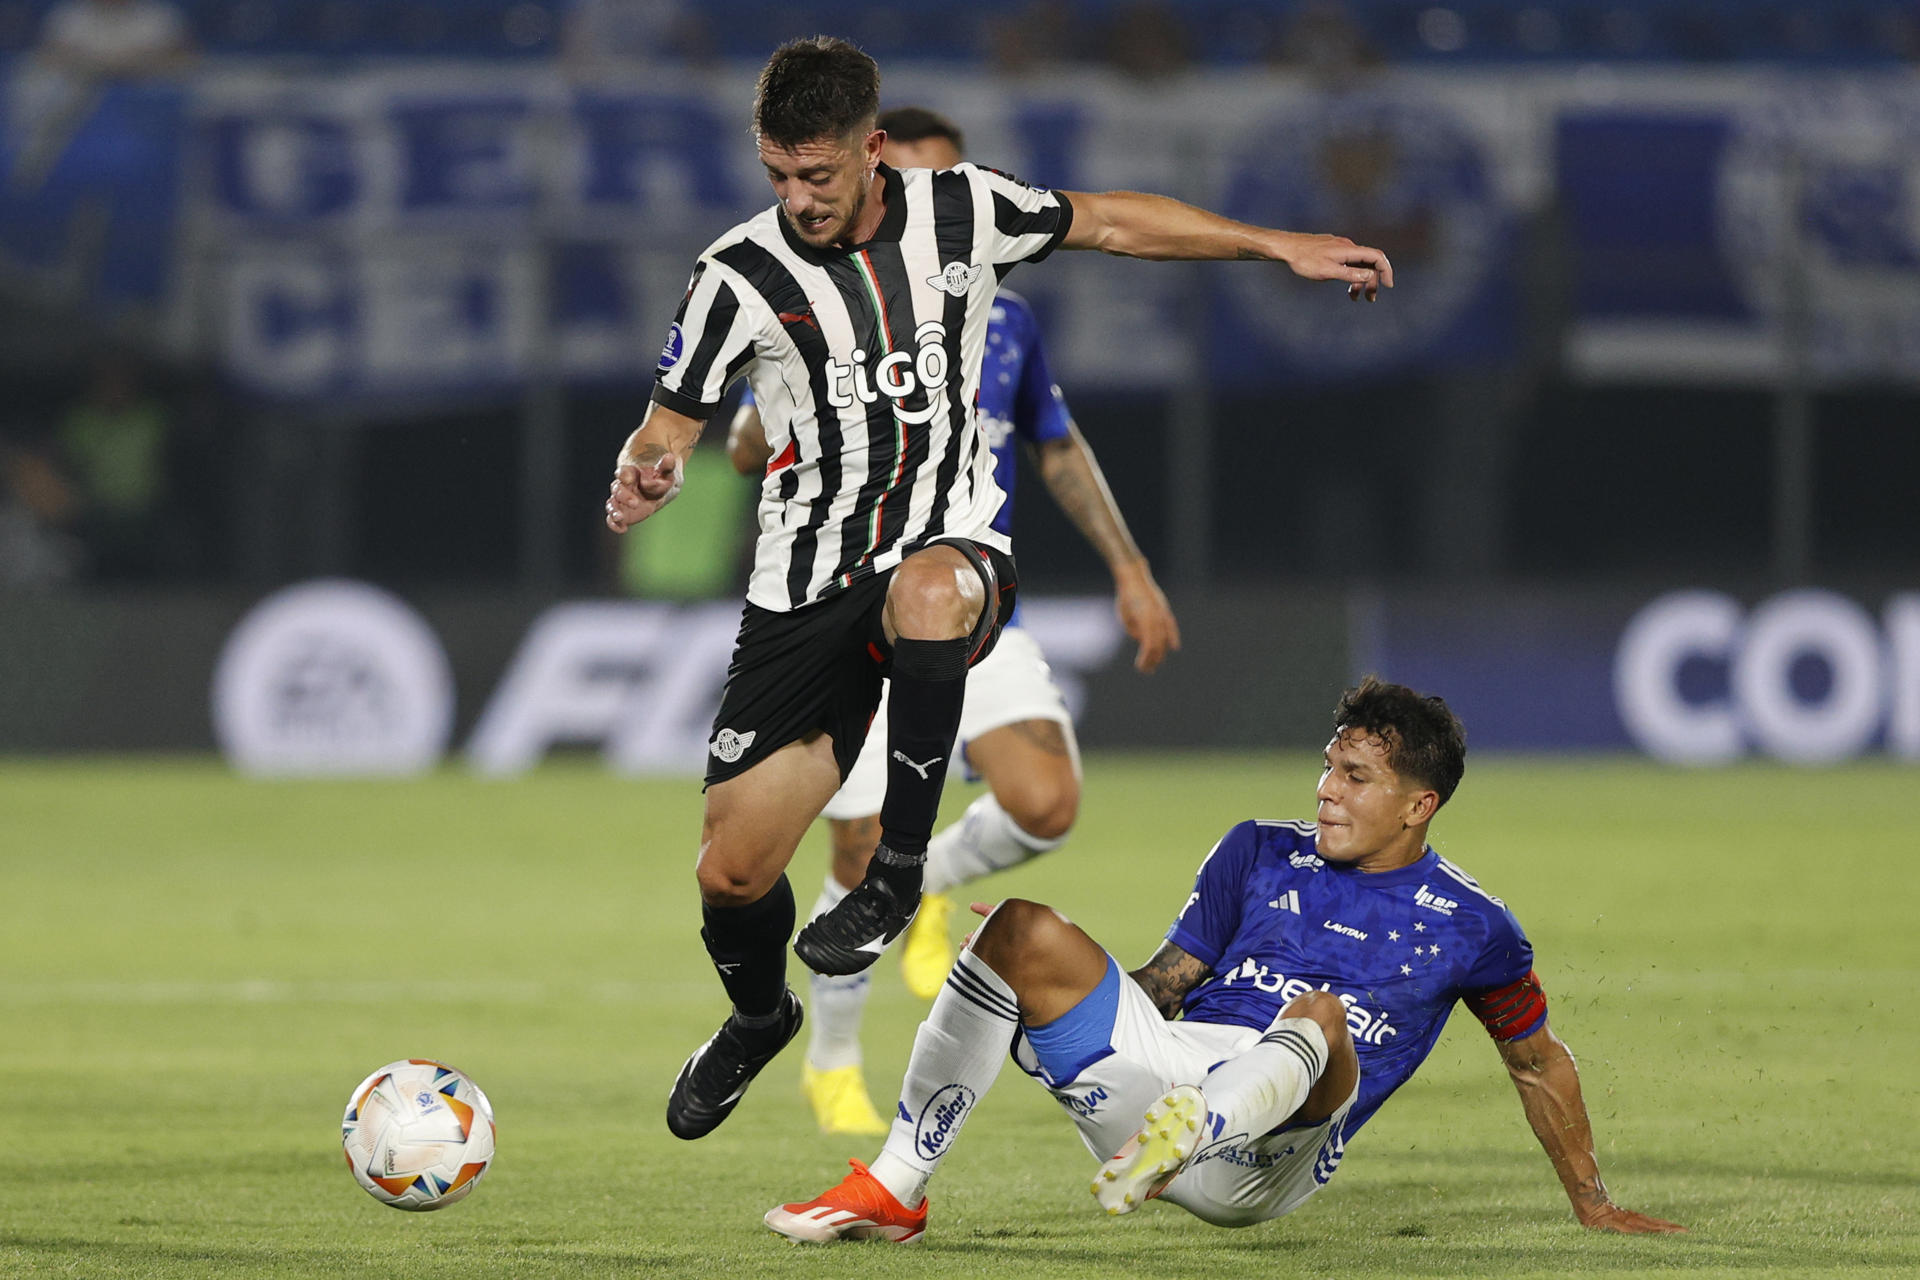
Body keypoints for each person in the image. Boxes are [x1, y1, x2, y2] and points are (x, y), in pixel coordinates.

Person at [603, 35, 1392, 1144]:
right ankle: (757, 1016)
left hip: (950, 550)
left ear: (874, 151)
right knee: (732, 874)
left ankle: (898, 873)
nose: (798, 198)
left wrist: (1275, 244)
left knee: (930, 594)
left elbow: (1115, 220)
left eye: (818, 175)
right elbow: (671, 422)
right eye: (778, 176)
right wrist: (649, 468)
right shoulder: (735, 274)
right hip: (802, 594)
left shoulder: (961, 212)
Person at [766, 677, 1686, 1243]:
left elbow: (1536, 1060)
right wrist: (1031, 998)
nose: (1326, 792)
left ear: (1420, 806)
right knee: (1017, 925)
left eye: (1355, 779)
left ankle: (1189, 1135)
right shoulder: (1256, 847)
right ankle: (895, 1187)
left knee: (1319, 1019)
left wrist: (1592, 1202)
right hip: (1168, 1084)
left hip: (1270, 1150)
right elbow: (1164, 988)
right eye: (1327, 768)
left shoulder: (1476, 924)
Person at [724, 107, 1182, 1136]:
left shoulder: (1006, 325)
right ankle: (833, 1056)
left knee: (1044, 800)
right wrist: (769, 408)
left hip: (967, 594)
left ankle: (914, 878)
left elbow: (1056, 448)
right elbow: (748, 448)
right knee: (849, 841)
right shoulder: (815, 303)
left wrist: (1131, 566)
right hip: (851, 604)